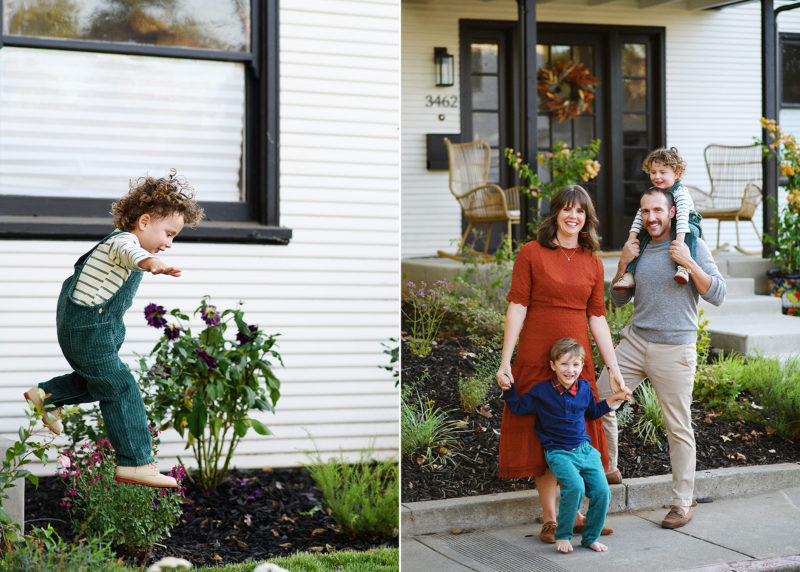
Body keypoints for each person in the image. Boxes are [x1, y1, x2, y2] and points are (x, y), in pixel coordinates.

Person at [24, 170, 204, 488]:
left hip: (92, 330)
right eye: (169, 233)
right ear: (145, 221)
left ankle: (47, 394)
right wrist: (150, 263)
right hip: (88, 331)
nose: (169, 244)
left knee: (99, 384)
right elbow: (131, 254)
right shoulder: (124, 243)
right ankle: (135, 462)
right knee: (121, 386)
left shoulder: (124, 244)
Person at [495, 184, 627, 544]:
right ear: (555, 213)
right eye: (567, 209)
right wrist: (506, 360)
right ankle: (551, 519)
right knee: (545, 434)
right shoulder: (531, 253)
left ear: (587, 219)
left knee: (575, 432)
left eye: (580, 211)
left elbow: (597, 317)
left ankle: (577, 514)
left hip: (575, 359)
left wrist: (612, 367)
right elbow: (518, 306)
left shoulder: (593, 262)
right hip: (538, 355)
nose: (573, 217)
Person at [598, 186, 726, 529]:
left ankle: (683, 502)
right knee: (596, 403)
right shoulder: (638, 248)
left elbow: (718, 293)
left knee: (677, 427)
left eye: (658, 210)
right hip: (635, 342)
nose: (651, 217)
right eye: (646, 211)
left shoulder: (692, 245)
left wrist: (688, 263)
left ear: (672, 212)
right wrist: (623, 263)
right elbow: (619, 301)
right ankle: (608, 467)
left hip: (675, 348)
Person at [499, 338, 631, 554]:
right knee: (575, 487)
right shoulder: (542, 391)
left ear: (582, 366)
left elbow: (593, 412)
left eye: (576, 365)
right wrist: (508, 388)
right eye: (564, 364)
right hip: (559, 452)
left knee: (602, 492)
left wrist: (616, 397)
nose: (570, 370)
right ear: (553, 365)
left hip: (585, 451)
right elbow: (520, 407)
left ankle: (590, 537)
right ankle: (563, 535)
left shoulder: (585, 388)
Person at [613, 147, 703, 291]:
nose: (657, 176)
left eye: (662, 172)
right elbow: (638, 217)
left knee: (690, 232)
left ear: (676, 174)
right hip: (668, 224)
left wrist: (679, 243)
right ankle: (630, 274)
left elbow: (682, 218)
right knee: (642, 235)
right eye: (653, 172)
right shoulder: (653, 193)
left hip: (686, 222)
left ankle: (684, 268)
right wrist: (631, 240)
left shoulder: (680, 192)